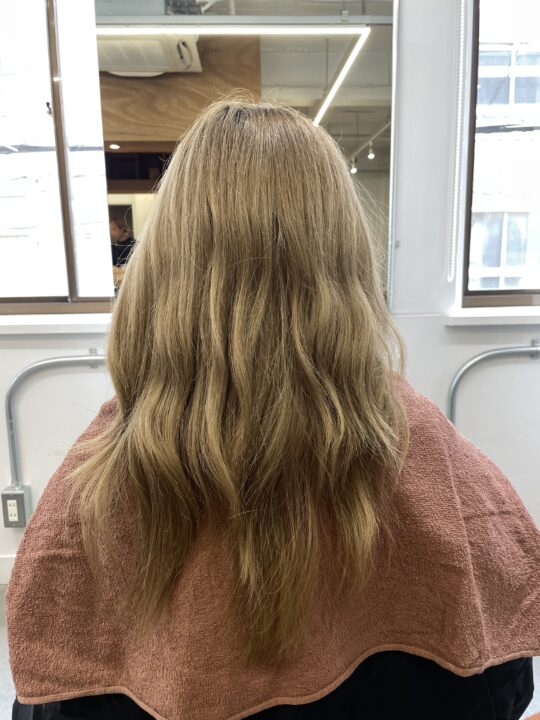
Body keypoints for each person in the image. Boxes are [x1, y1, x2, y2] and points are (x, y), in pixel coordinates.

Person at [7, 100, 540, 720]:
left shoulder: (102, 471)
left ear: (164, 264)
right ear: (344, 260)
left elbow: (52, 696)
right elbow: (501, 678)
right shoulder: (423, 447)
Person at [110, 217, 136, 289]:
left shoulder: (135, 245)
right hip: (117, 287)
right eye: (111, 230)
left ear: (122, 229)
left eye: (114, 229)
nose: (112, 233)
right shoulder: (112, 248)